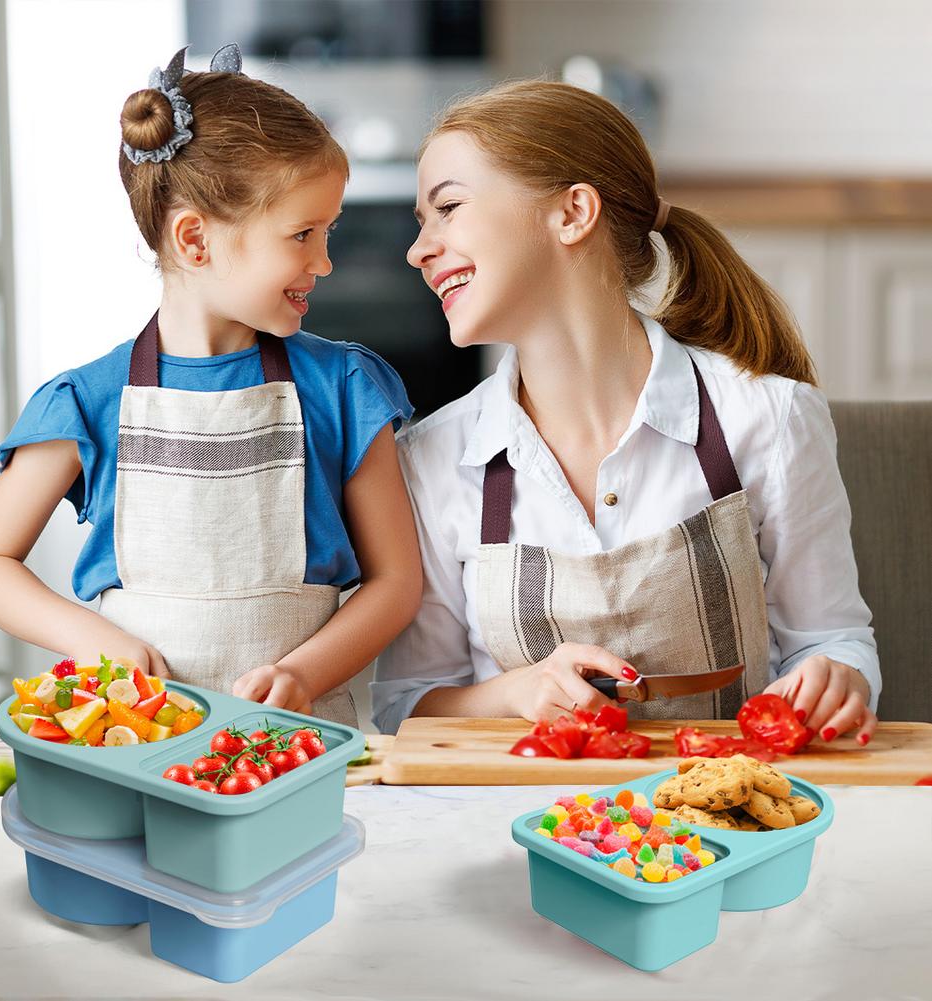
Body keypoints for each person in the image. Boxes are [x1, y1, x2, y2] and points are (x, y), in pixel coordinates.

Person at [372, 80, 879, 745]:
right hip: (512, 820)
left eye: (448, 208)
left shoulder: (768, 417)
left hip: (728, 823)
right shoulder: (431, 458)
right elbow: (401, 707)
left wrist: (836, 676)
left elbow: (832, 637)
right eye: (421, 221)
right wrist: (511, 692)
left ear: (572, 212)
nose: (419, 249)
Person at [0, 45, 421, 727]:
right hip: (137, 747)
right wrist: (94, 640)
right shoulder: (88, 399)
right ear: (195, 240)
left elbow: (397, 582)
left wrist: (300, 673)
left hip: (300, 745)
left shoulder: (346, 387)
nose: (323, 261)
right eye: (302, 234)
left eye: (329, 231)